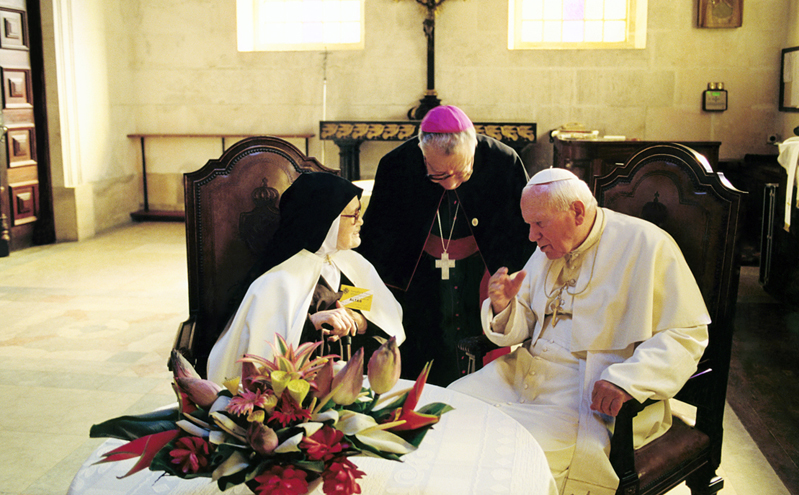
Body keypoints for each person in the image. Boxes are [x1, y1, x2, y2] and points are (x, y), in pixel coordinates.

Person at [448, 168, 711, 495]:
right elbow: (527, 320)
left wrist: (627, 380)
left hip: (585, 391)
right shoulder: (551, 246)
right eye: (529, 224)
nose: (531, 236)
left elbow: (686, 335)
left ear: (576, 212)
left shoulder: (647, 244)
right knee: (444, 419)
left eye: (539, 224)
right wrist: (504, 308)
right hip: (520, 373)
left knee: (510, 463)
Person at [358, 105, 536, 386]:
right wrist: (358, 297)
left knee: (474, 359)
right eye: (438, 175)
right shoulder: (397, 165)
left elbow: (523, 233)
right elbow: (377, 239)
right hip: (418, 277)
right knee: (420, 349)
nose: (451, 184)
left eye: (463, 172)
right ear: (422, 153)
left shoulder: (503, 161)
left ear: (473, 149)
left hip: (478, 274)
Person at [207, 172, 406, 385]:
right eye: (354, 215)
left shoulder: (354, 265)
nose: (361, 222)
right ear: (325, 220)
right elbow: (261, 355)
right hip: (301, 390)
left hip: (357, 380)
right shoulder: (277, 281)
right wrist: (312, 325)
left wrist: (361, 322)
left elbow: (384, 321)